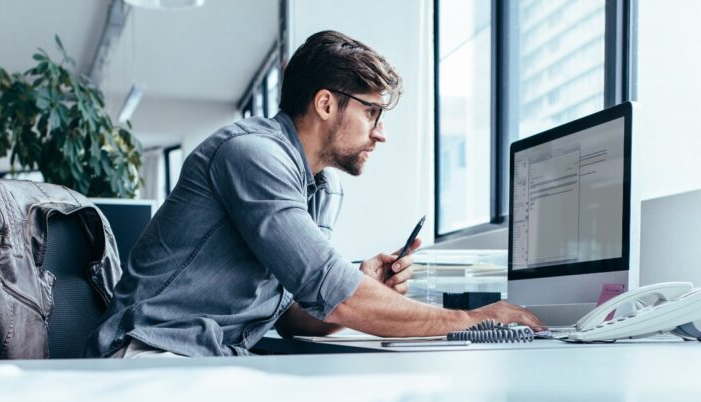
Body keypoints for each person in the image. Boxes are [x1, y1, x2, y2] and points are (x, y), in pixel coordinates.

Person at [86, 30, 543, 358]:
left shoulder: (322, 187)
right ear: (326, 104)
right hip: (152, 352)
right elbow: (335, 292)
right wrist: (473, 321)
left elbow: (291, 317)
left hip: (212, 358)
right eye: (372, 112)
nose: (381, 133)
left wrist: (363, 282)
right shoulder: (252, 155)